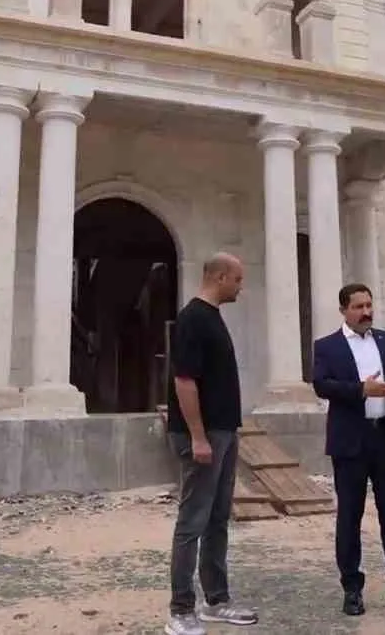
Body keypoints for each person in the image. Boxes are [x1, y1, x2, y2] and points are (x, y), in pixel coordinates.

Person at [310, 283, 385, 617]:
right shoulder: (327, 346)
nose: (366, 312)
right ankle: (352, 588)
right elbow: (321, 384)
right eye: (358, 306)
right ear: (344, 310)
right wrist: (363, 389)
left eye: (369, 305)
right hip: (350, 442)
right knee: (350, 516)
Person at [164, 253, 258, 635]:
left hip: (223, 432)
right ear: (220, 277)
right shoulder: (192, 319)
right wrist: (198, 437)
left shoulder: (213, 317)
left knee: (217, 519)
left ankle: (216, 600)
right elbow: (184, 381)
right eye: (237, 279)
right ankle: (181, 609)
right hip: (202, 436)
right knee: (192, 522)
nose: (240, 286)